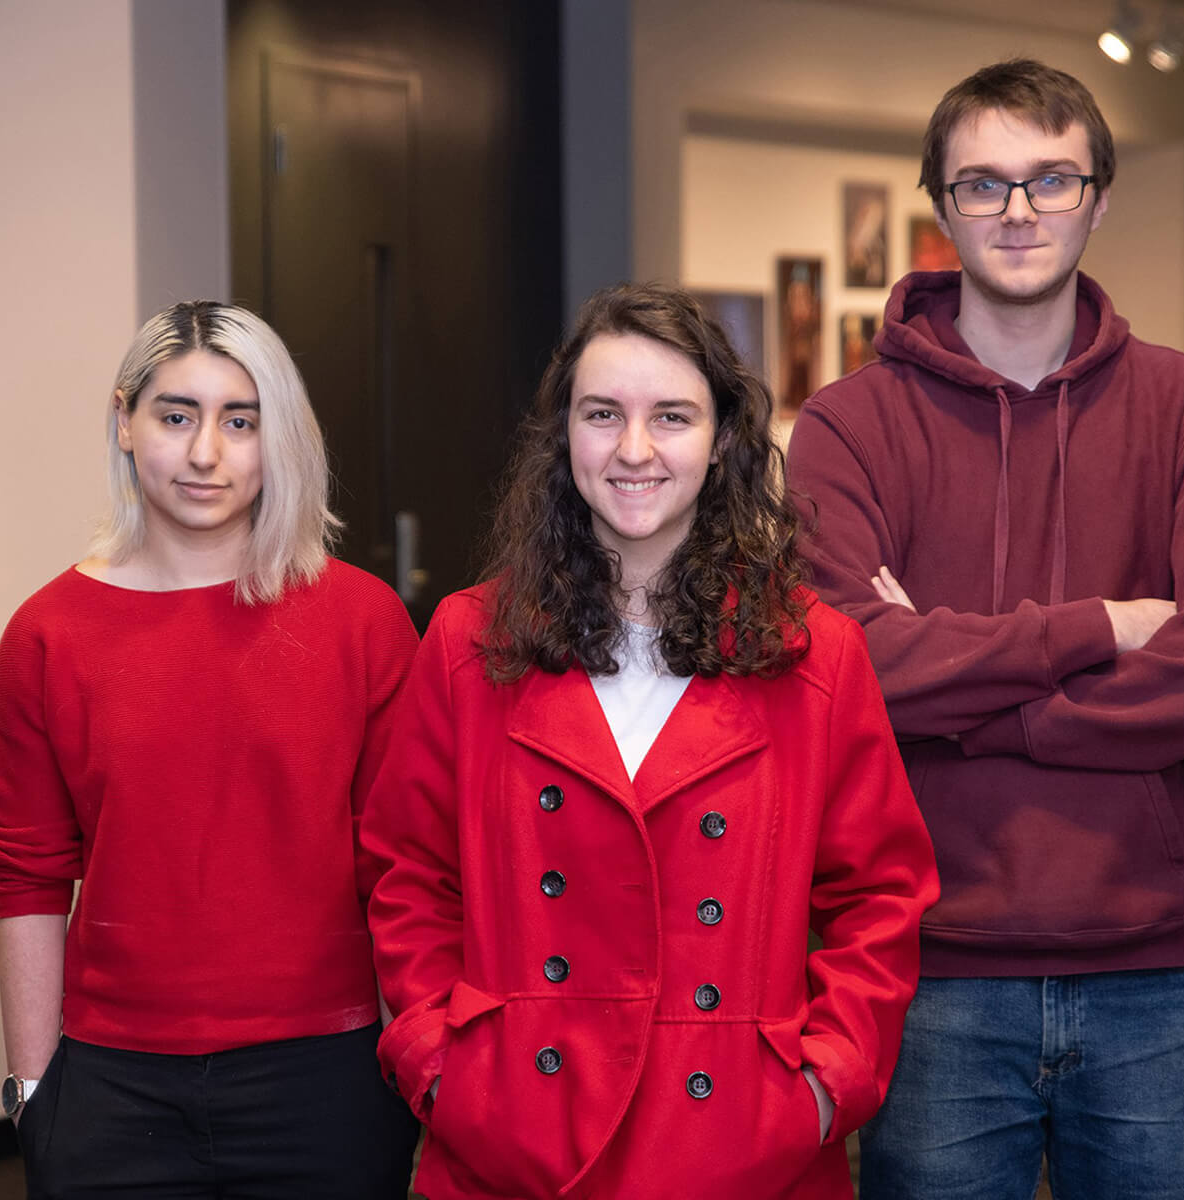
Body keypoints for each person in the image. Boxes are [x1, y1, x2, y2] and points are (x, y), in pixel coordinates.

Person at [787, 59, 1184, 1200]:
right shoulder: (846, 427)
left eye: (1050, 179)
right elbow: (846, 662)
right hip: (926, 968)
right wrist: (1102, 626)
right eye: (983, 184)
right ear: (939, 205)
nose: (1018, 212)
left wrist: (958, 692)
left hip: (1154, 975)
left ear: (1098, 199)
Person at [361, 283, 939, 1199]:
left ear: (723, 443)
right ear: (564, 439)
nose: (635, 450)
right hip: (513, 1145)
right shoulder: (471, 644)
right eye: (603, 415)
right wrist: (440, 1064)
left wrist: (825, 1085)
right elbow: (408, 877)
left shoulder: (816, 655)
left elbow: (881, 896)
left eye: (672, 416)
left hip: (745, 1151)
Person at [0, 300, 421, 1198]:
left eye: (240, 420)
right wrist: (35, 1092)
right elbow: (29, 880)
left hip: (327, 1076)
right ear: (123, 421)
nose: (204, 452)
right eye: (176, 416)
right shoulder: (45, 638)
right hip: (112, 1085)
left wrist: (407, 1069)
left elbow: (403, 869)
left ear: (279, 438)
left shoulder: (363, 622)